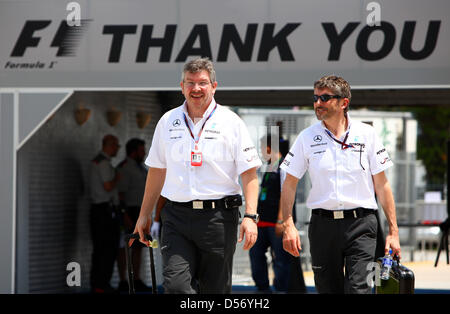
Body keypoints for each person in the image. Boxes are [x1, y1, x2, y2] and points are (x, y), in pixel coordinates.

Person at [131, 57, 262, 294]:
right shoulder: (167, 121)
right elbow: (157, 170)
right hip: (176, 217)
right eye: (190, 83)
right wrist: (144, 215)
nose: (196, 89)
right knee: (176, 287)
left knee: (215, 290)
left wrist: (251, 216)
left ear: (214, 86)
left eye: (202, 83)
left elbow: (249, 174)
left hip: (219, 218)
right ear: (182, 87)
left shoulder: (231, 122)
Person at [280, 75, 401, 294]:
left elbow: (382, 185)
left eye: (325, 98)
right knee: (327, 290)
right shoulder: (306, 137)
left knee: (358, 289)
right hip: (322, 226)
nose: (318, 103)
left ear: (344, 102)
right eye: (316, 98)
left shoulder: (368, 134)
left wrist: (393, 231)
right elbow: (289, 183)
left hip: (362, 225)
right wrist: (288, 224)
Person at [249, 133, 292, 293]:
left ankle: (280, 289)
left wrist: (281, 220)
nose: (261, 152)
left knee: (281, 259)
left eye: (262, 149)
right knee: (256, 255)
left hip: (276, 222)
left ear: (268, 148)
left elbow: (285, 193)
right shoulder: (269, 166)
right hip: (261, 222)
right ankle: (263, 289)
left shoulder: (284, 166)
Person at [116, 138, 151, 293]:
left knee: (139, 246)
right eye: (142, 150)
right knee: (125, 246)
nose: (144, 153)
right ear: (134, 151)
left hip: (140, 211)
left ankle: (136, 279)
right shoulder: (124, 168)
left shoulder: (142, 168)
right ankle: (123, 280)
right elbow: (120, 193)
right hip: (128, 211)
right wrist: (124, 214)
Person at [89, 134, 121, 293]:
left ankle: (100, 284)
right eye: (116, 145)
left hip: (101, 210)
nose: (118, 148)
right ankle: (101, 285)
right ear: (110, 145)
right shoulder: (103, 163)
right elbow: (108, 186)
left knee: (103, 248)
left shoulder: (100, 161)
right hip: (104, 211)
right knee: (106, 248)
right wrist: (118, 178)